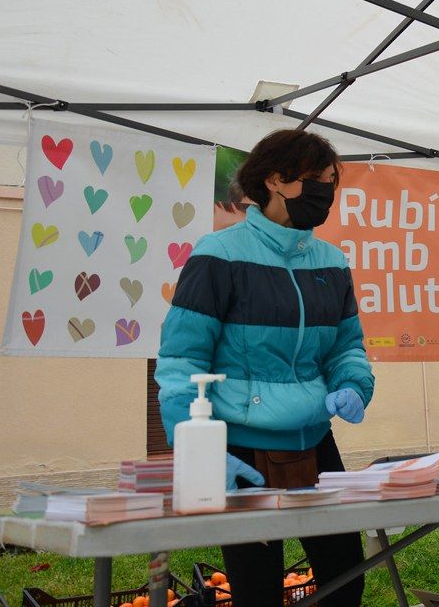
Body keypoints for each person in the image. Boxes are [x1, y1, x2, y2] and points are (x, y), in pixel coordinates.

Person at [156, 129, 375, 607]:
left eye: (332, 182)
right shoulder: (218, 255)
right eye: (318, 180)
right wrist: (197, 449)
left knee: (347, 581)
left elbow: (346, 347)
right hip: (241, 447)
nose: (327, 193)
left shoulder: (332, 261)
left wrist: (354, 384)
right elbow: (181, 361)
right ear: (276, 180)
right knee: (256, 591)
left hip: (316, 442)